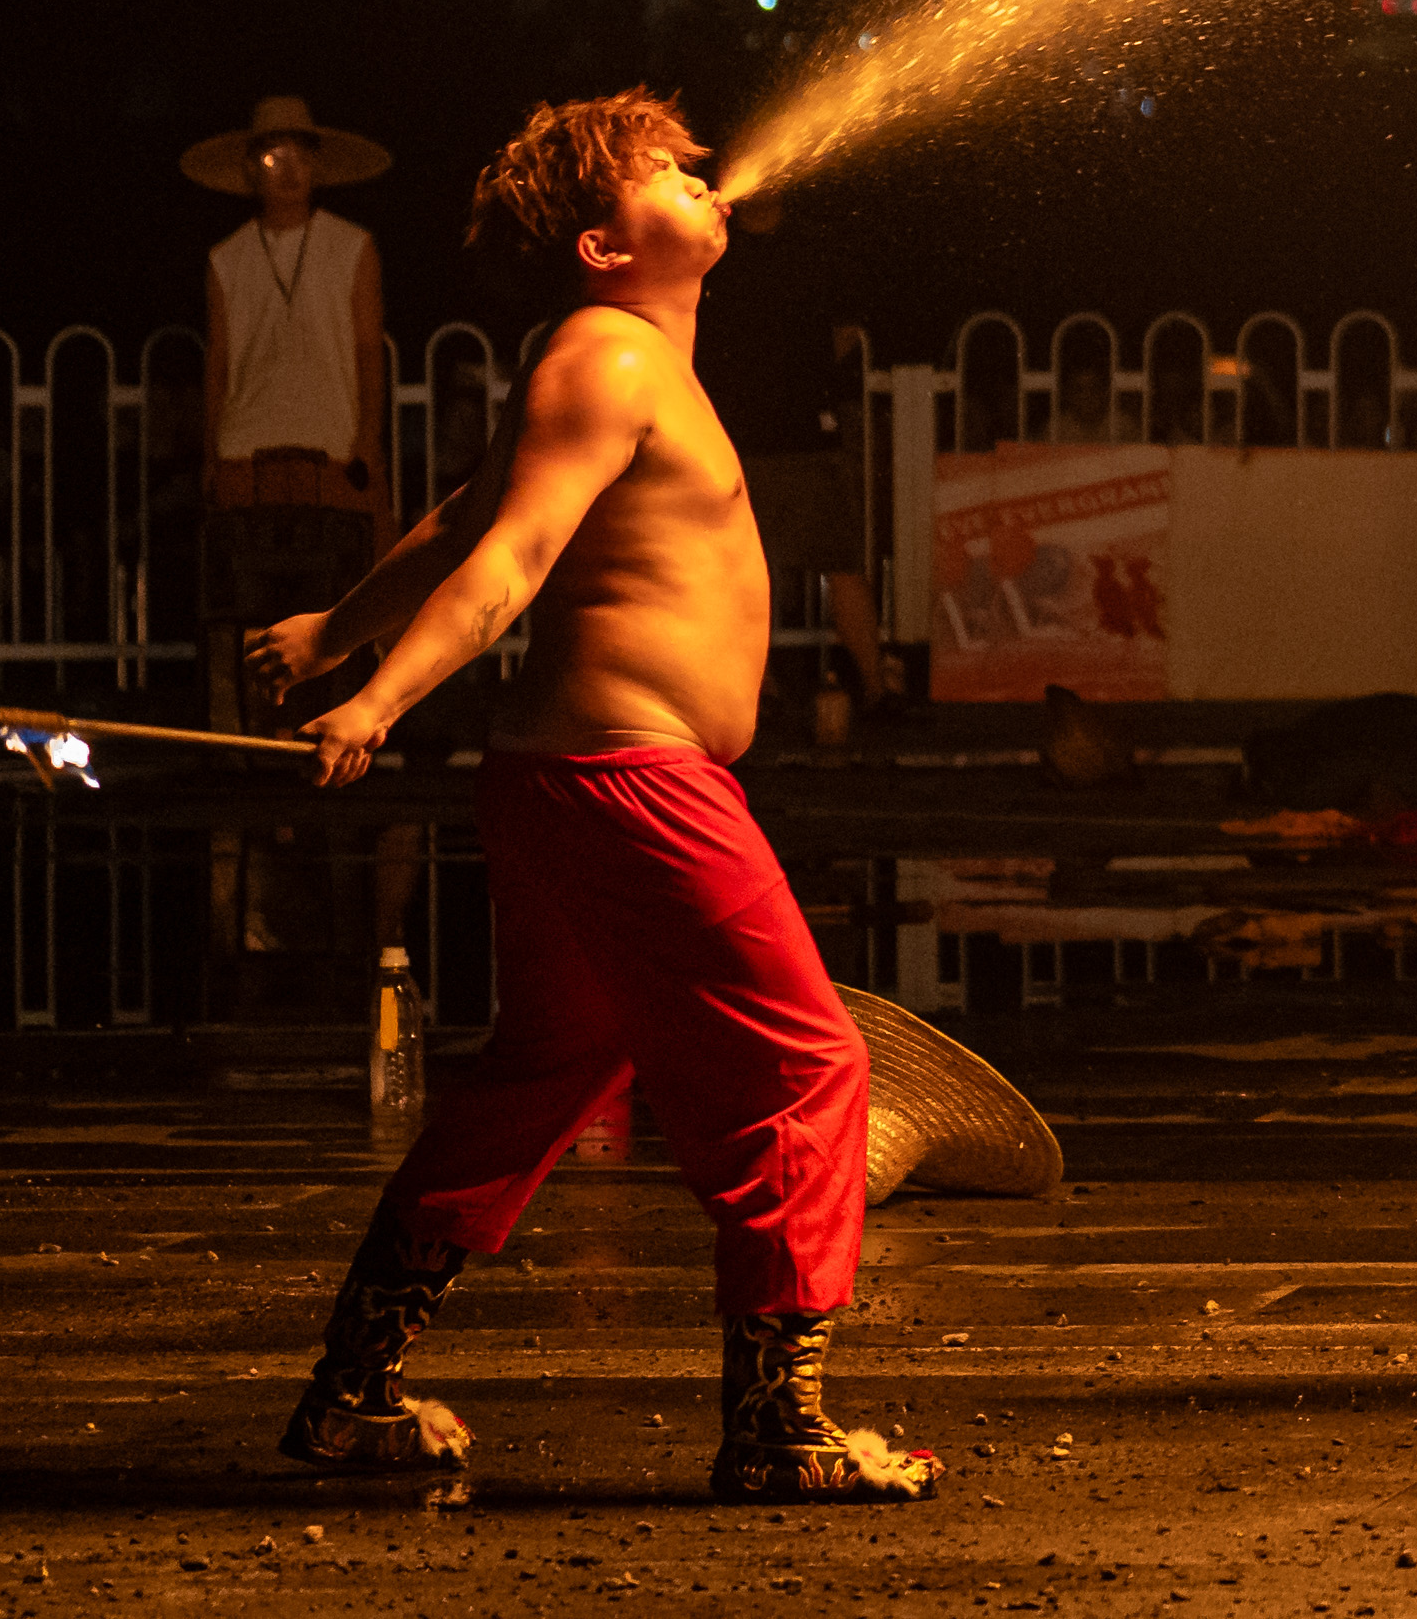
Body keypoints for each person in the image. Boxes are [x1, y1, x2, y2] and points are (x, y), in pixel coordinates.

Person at [241, 91, 933, 1506]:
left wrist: (337, 632)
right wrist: (375, 700)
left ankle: (347, 1394)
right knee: (809, 1066)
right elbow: (507, 560)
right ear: (607, 243)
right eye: (666, 170)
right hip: (626, 781)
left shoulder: (608, 357)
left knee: (545, 1074)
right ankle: (777, 1428)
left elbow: (456, 514)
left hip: (574, 785)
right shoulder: (612, 354)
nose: (705, 173)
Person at [188, 97, 392, 734]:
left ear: (317, 165)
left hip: (331, 451)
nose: (288, 170)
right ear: (252, 168)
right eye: (274, 156)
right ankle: (247, 746)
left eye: (300, 156)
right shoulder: (226, 257)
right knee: (244, 613)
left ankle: (332, 737)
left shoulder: (353, 246)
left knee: (334, 610)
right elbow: (218, 358)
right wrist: (210, 454)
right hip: (246, 448)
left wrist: (368, 443)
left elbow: (367, 347)